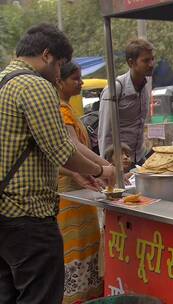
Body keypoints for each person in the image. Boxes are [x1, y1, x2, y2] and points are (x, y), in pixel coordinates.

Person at [0, 23, 115, 304]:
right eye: (60, 64)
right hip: (28, 216)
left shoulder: (3, 80)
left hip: (3, 215)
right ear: (48, 55)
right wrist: (102, 170)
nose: (58, 74)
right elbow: (61, 149)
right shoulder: (35, 85)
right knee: (40, 295)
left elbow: (28, 149)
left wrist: (76, 173)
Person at [56, 62, 112, 303]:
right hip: (69, 196)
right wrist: (104, 168)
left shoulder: (67, 108)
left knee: (87, 248)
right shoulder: (60, 110)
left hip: (81, 190)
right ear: (60, 82)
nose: (80, 82)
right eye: (75, 79)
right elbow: (73, 146)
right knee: (74, 250)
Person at [98, 38, 155, 164]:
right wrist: (107, 167)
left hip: (138, 159)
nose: (151, 64)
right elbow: (105, 133)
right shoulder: (115, 89)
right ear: (131, 63)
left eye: (152, 59)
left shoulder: (145, 86)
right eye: (146, 60)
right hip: (118, 163)